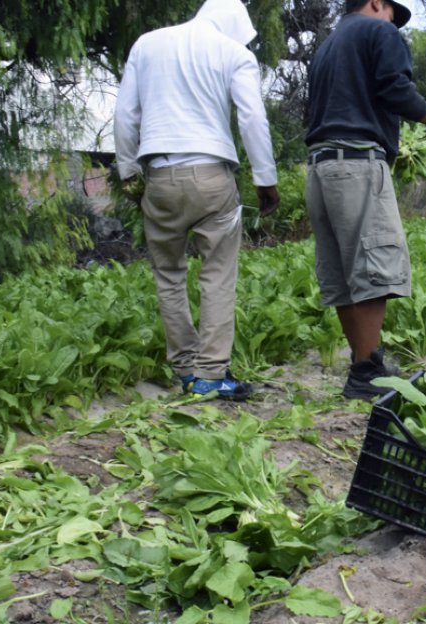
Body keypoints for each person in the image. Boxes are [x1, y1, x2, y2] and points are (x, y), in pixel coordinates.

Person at [114, 0, 279, 401]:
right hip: (211, 176)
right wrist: (265, 181)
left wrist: (127, 174)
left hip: (159, 176)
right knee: (217, 274)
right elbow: (252, 117)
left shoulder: (147, 44)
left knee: (168, 274)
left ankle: (186, 369)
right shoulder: (234, 53)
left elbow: (125, 115)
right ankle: (209, 374)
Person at [305, 0, 426, 399]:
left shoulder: (327, 46)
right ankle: (365, 372)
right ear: (377, 2)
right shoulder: (379, 31)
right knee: (375, 268)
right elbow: (396, 88)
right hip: (357, 163)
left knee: (346, 274)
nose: (393, 23)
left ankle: (367, 362)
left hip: (320, 168)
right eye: (393, 14)